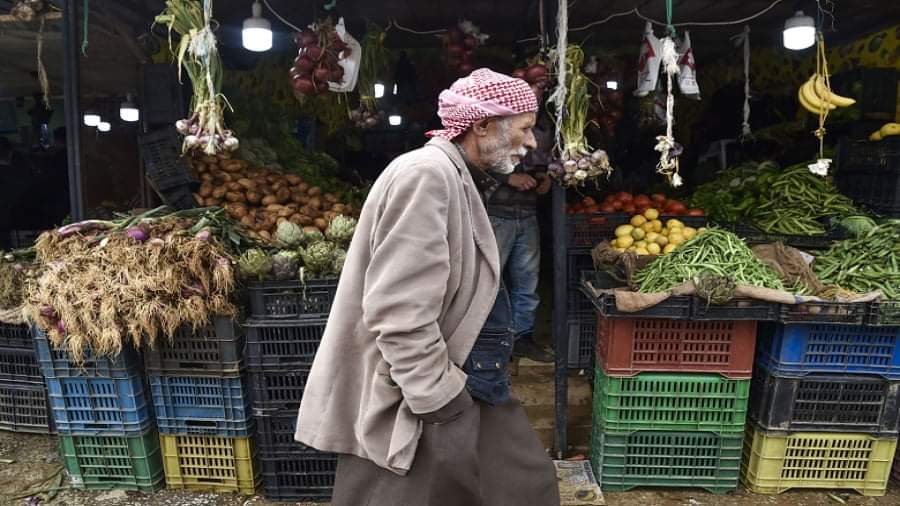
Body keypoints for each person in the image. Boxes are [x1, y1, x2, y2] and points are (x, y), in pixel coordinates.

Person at [296, 68, 560, 506]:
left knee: (521, 486)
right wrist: (440, 400)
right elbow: (398, 311)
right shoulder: (427, 176)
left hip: (467, 377)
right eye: (525, 128)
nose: (532, 143)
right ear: (483, 126)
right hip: (430, 389)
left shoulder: (455, 175)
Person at [486, 112, 555, 362]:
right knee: (489, 281)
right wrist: (508, 178)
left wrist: (545, 178)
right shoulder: (494, 122)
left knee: (527, 283)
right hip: (496, 214)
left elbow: (542, 162)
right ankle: (489, 339)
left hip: (527, 213)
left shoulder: (544, 124)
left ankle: (521, 338)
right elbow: (474, 165)